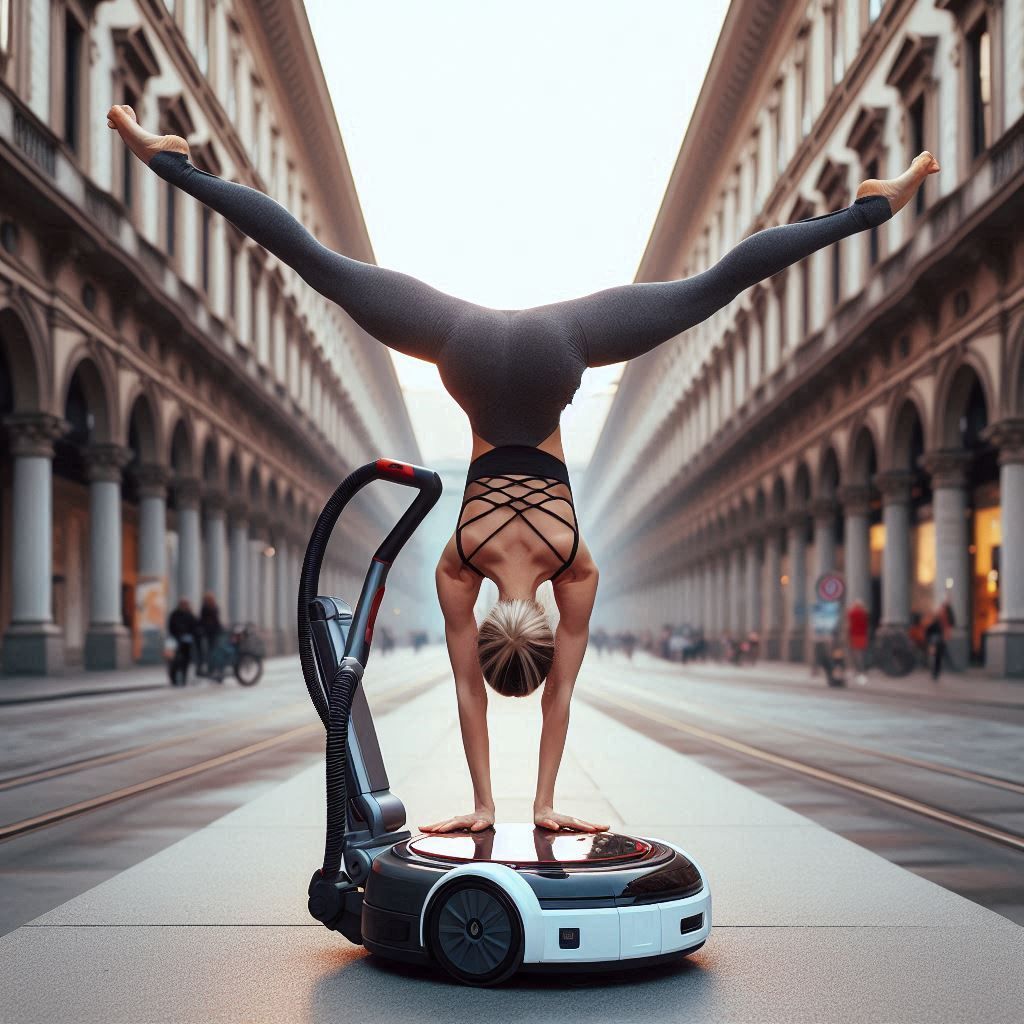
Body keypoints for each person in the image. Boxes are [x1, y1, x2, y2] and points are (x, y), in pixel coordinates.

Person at [107, 104, 937, 833]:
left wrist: (530, 804)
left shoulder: (575, 568)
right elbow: (469, 693)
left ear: (542, 633)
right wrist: (486, 802)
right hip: (460, 346)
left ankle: (870, 208)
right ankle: (172, 160)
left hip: (558, 349)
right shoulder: (457, 565)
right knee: (317, 264)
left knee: (717, 283)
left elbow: (557, 702)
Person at [167, 597, 199, 686]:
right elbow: (171, 626)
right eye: (183, 604)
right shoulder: (175, 614)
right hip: (176, 640)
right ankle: (173, 679)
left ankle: (184, 679)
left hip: (187, 642)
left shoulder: (190, 614)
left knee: (186, 660)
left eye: (186, 604)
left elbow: (195, 626)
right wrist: (177, 635)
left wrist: (193, 635)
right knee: (174, 661)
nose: (185, 606)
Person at [926, 598, 956, 680]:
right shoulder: (937, 619)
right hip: (935, 640)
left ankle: (936, 672)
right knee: (936, 657)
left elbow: (952, 622)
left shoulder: (946, 617)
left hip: (940, 640)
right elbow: (929, 629)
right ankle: (935, 672)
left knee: (938, 657)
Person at [197, 591, 224, 680]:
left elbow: (215, 620)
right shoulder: (207, 608)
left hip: (212, 632)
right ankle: (211, 668)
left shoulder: (211, 607)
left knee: (212, 651)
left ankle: (212, 669)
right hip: (210, 632)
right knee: (211, 651)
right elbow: (207, 620)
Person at [847, 599, 869, 684]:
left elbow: (849, 625)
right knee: (861, 654)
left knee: (855, 655)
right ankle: (862, 670)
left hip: (854, 635)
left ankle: (858, 671)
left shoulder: (852, 613)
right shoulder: (864, 613)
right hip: (863, 636)